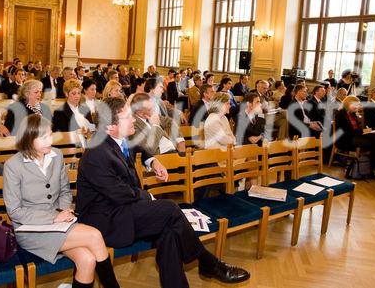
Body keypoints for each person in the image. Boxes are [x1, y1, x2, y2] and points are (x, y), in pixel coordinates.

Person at [76, 97, 250, 288]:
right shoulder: (96, 154)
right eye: (127, 117)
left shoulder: (117, 139)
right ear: (110, 126)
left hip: (123, 209)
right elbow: (118, 193)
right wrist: (147, 197)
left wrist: (153, 161)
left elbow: (136, 149)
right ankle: (208, 262)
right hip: (105, 220)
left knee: (169, 231)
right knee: (169, 208)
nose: (133, 119)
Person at [3, 115, 119, 288]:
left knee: (87, 260)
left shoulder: (56, 155)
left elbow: (65, 191)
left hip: (60, 224)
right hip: (31, 229)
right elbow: (14, 211)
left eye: (50, 134)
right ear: (29, 138)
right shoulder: (13, 166)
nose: (51, 140)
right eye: (44, 137)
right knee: (95, 235)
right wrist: (52, 219)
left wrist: (63, 211)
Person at [335, 96, 375, 177]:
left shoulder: (352, 114)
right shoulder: (340, 114)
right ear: (348, 104)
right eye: (355, 105)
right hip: (345, 140)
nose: (357, 107)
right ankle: (374, 167)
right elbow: (348, 132)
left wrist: (366, 130)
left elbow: (356, 129)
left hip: (354, 136)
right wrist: (364, 131)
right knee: (374, 141)